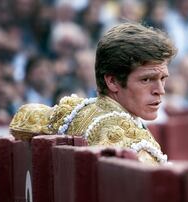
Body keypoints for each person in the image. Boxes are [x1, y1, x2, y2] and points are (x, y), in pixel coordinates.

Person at [9, 22, 177, 164]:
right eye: (146, 79)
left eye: (163, 78)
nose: (160, 91)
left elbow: (23, 118)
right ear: (112, 81)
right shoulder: (132, 143)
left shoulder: (78, 111)